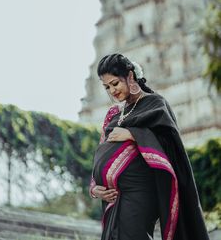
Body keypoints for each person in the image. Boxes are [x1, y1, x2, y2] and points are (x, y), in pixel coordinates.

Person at [89, 53, 210, 240]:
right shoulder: (114, 114)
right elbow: (101, 153)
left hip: (141, 193)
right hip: (112, 199)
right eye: (107, 87)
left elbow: (171, 144)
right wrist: (95, 188)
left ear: (130, 76)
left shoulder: (155, 104)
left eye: (115, 84)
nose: (112, 91)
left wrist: (133, 134)